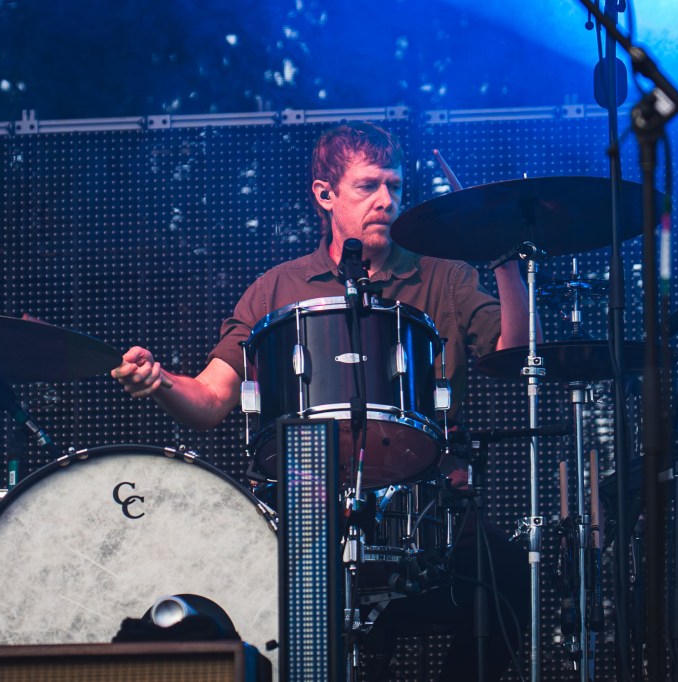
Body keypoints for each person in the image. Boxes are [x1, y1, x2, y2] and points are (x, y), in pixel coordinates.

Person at [112, 121, 534, 679]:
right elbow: (212, 398)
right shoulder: (276, 289)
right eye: (368, 186)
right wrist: (161, 381)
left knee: (511, 579)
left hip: (430, 506)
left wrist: (503, 259)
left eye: (394, 186)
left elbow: (516, 354)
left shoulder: (445, 276)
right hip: (309, 507)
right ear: (325, 194)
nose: (386, 200)